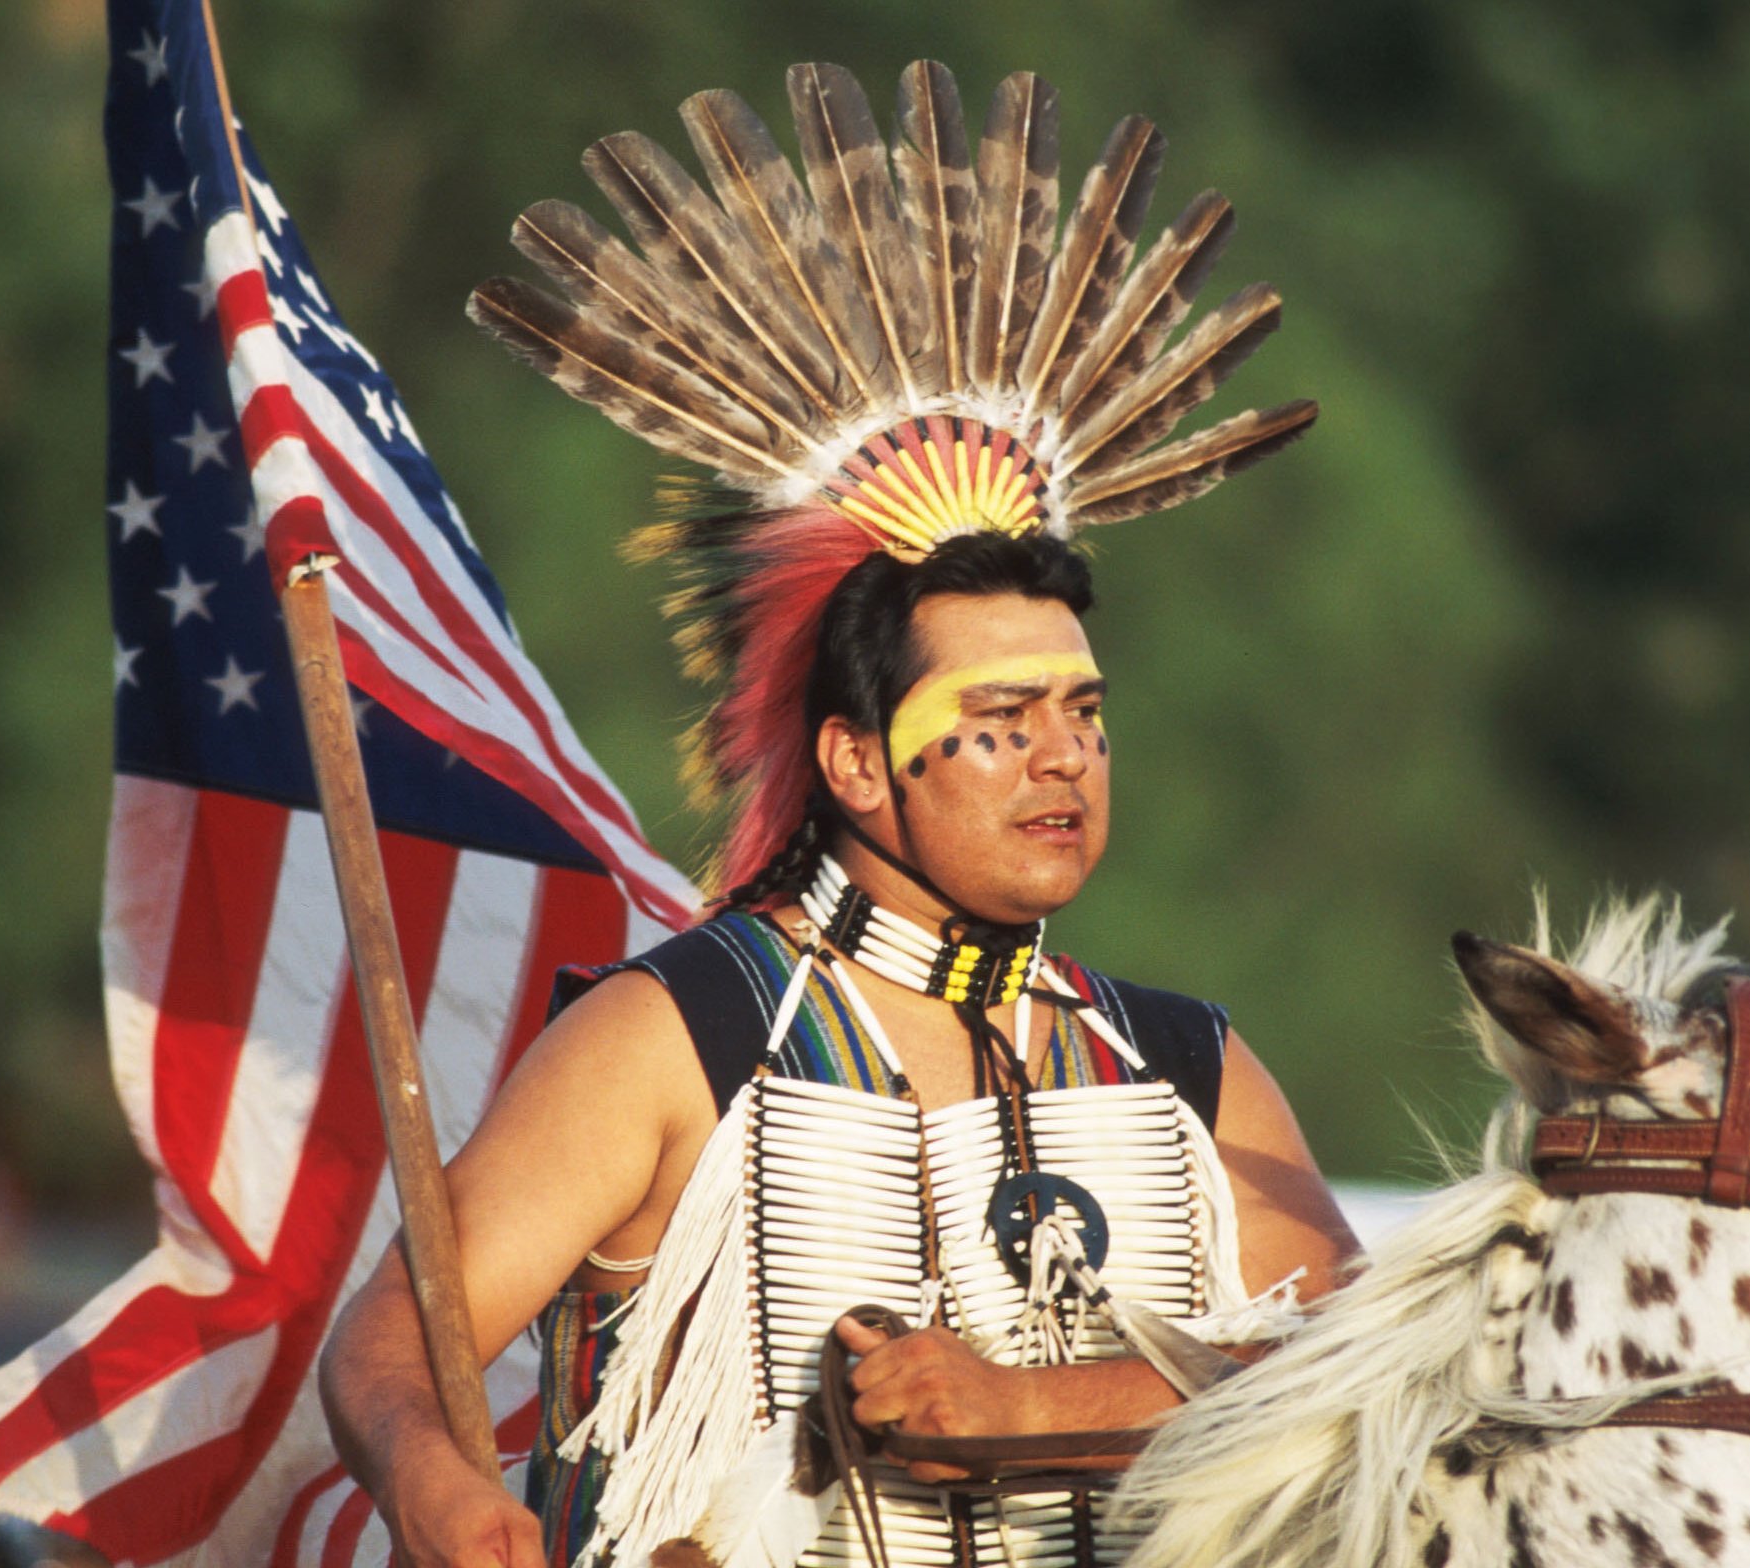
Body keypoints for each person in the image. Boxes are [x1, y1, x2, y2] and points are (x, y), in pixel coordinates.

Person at [321, 58, 1358, 1568]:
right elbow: (395, 1342)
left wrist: (1030, 1405)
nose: (1063, 762)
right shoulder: (675, 1038)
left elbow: (1364, 1379)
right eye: (995, 728)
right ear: (857, 763)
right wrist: (430, 1479)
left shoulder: (1184, 1069)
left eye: (1083, 715)